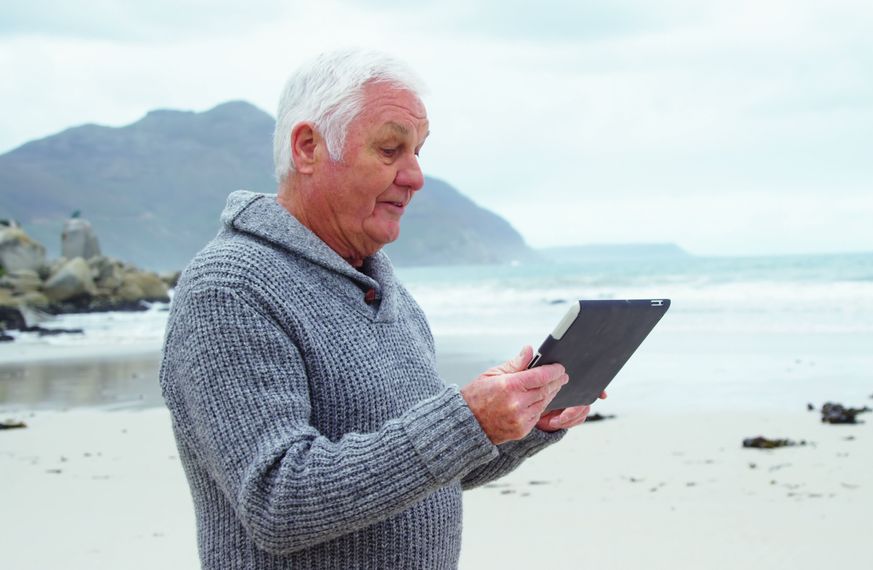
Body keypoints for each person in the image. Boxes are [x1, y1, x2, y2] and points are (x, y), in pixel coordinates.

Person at [159, 49, 597, 569]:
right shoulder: (229, 289)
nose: (415, 176)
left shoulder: (381, 288)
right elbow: (278, 500)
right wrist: (464, 420)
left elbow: (428, 472)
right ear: (307, 148)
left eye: (418, 152)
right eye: (391, 149)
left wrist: (520, 423)